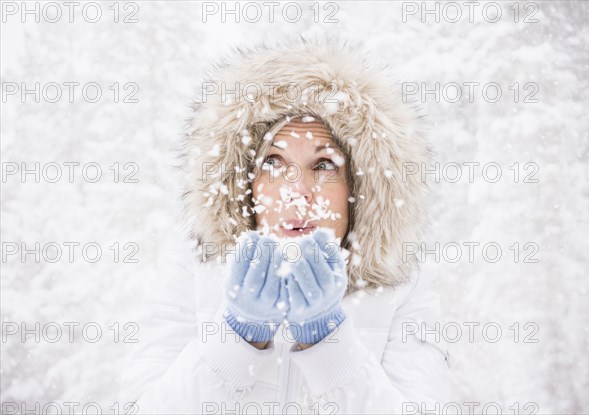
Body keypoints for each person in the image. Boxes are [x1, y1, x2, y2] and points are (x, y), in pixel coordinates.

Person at [119, 37, 450, 414]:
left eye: (324, 165)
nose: (298, 193)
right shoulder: (193, 267)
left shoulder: (403, 283)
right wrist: (237, 336)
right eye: (273, 163)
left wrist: (327, 342)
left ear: (360, 186)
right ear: (243, 183)